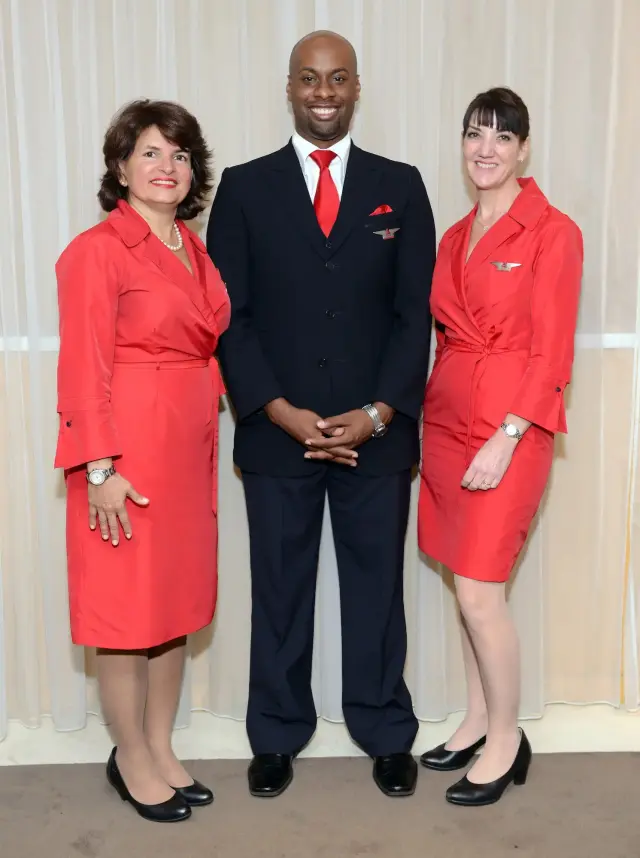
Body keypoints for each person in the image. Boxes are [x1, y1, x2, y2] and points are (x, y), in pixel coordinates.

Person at [207, 31, 435, 798]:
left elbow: (415, 316)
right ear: (289, 86)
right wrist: (277, 410)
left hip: (377, 432)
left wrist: (377, 412)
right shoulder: (243, 187)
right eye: (310, 78)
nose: (324, 92)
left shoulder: (400, 185)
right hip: (278, 435)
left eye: (338, 79)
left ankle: (382, 728)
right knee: (279, 588)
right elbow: (228, 317)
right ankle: (276, 733)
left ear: (357, 86)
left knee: (377, 591)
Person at [54, 99, 230, 822]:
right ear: (120, 167)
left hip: (186, 453)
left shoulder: (194, 248)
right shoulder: (97, 251)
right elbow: (81, 369)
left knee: (173, 609)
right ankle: (129, 756)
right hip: (124, 461)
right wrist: (99, 469)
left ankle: (158, 744)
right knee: (125, 615)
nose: (168, 167)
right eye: (151, 153)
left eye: (181, 155)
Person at [418, 87, 583, 806]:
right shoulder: (454, 236)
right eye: (473, 134)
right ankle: (478, 717)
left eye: (502, 137)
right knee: (462, 582)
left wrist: (510, 434)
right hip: (447, 422)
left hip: (509, 431)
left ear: (523, 148)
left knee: (483, 592)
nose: (486, 149)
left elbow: (552, 354)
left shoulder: (553, 231)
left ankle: (508, 739)